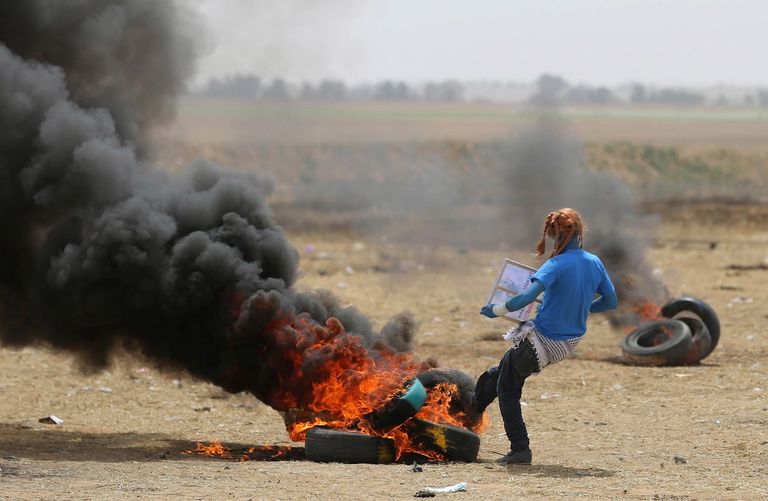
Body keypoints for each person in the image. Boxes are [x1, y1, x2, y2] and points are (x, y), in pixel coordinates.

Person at [477, 208, 618, 465]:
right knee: (498, 374)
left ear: (554, 235)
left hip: (543, 340)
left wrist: (495, 310)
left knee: (507, 388)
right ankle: (472, 414)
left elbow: (526, 298)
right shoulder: (594, 262)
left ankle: (520, 450)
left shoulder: (554, 265)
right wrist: (584, 307)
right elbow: (610, 301)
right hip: (568, 342)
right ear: (579, 231)